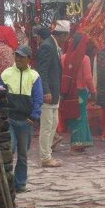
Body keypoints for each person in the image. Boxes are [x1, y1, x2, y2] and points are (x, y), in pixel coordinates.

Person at [0, 45, 43, 193]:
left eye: (22, 57)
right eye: (17, 56)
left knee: (23, 154)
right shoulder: (6, 74)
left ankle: (20, 183)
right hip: (9, 119)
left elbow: (38, 98)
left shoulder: (34, 76)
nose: (18, 59)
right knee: (9, 150)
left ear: (28, 59)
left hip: (25, 121)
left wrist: (34, 117)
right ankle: (6, 182)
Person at [36, 20, 69, 167]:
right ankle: (45, 157)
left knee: (53, 123)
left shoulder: (54, 46)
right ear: (62, 35)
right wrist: (46, 91)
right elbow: (42, 71)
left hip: (54, 92)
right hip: (48, 93)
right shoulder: (47, 46)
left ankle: (47, 152)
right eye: (66, 36)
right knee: (47, 125)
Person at [61, 33, 95, 152]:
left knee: (73, 116)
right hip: (80, 91)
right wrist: (93, 91)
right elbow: (88, 77)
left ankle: (77, 142)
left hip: (68, 92)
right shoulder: (85, 58)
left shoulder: (64, 57)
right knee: (81, 117)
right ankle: (78, 144)